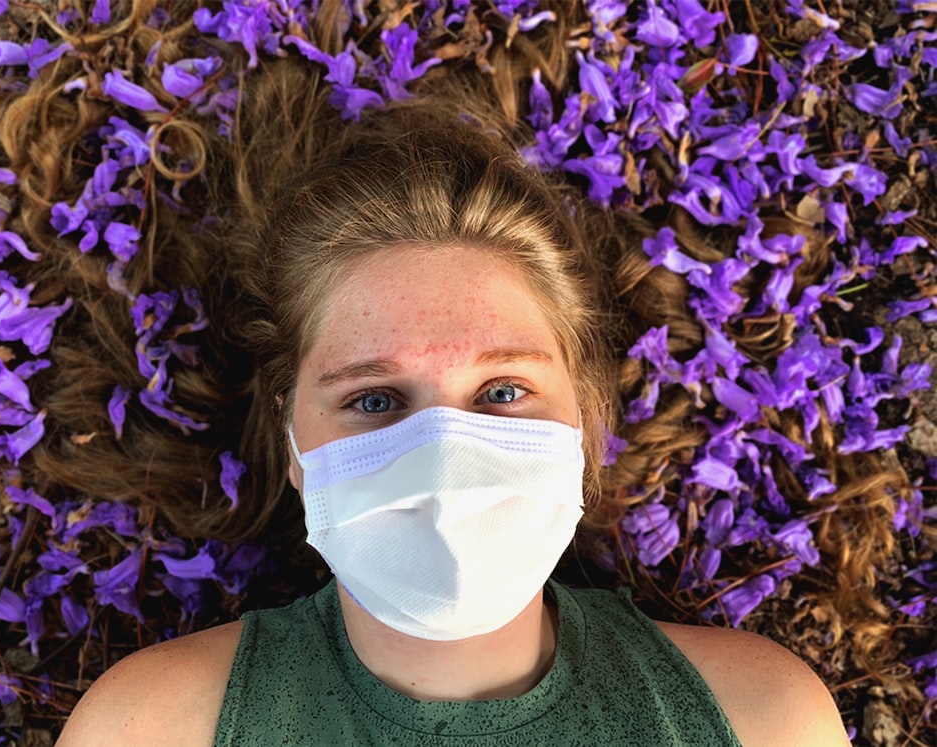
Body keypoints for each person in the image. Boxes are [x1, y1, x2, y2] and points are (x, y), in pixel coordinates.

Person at [56, 106, 850, 746]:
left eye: (503, 390)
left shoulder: (766, 722)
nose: (445, 457)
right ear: (293, 443)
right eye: (375, 399)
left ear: (583, 416)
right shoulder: (148, 729)